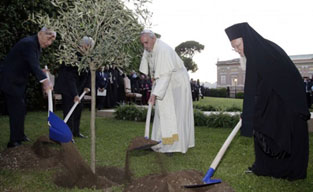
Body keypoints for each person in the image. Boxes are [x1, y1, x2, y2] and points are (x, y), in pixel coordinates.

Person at [225, 22, 310, 180]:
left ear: (247, 39)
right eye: (234, 48)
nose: (238, 50)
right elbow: (260, 85)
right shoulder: (260, 49)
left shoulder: (259, 52)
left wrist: (249, 114)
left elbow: (254, 89)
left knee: (281, 132)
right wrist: (250, 113)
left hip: (287, 101)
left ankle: (287, 171)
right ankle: (265, 167)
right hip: (274, 97)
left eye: (238, 45)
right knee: (262, 123)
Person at [139, 30, 195, 154]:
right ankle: (159, 141)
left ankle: (174, 146)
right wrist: (153, 75)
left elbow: (165, 75)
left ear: (153, 39)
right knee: (162, 111)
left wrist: (154, 94)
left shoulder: (163, 50)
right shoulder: (150, 47)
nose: (145, 46)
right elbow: (150, 62)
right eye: (143, 43)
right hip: (165, 81)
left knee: (176, 114)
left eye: (146, 43)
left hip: (177, 84)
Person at [0, 27, 56, 148]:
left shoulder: (35, 45)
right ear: (40, 33)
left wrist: (41, 71)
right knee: (16, 110)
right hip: (11, 81)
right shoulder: (29, 43)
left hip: (18, 82)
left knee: (21, 109)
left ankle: (20, 135)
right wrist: (45, 81)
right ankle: (14, 141)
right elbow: (33, 64)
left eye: (51, 41)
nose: (49, 43)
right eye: (48, 39)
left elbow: (30, 64)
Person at [55, 36, 92, 139]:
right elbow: (70, 77)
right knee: (69, 111)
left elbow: (89, 73)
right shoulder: (72, 56)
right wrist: (74, 93)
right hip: (68, 88)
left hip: (79, 88)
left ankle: (76, 132)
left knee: (78, 110)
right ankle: (68, 134)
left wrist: (87, 86)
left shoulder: (88, 57)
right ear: (84, 45)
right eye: (89, 46)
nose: (90, 49)